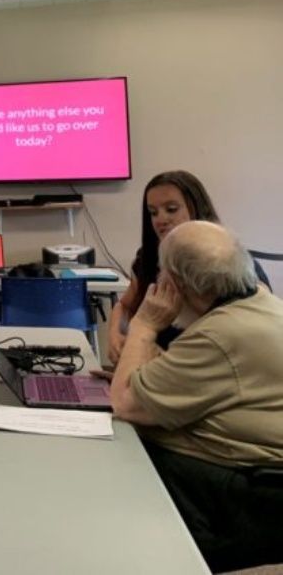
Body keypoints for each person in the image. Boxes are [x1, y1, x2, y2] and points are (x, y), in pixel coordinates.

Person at [109, 221, 283, 572]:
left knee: (123, 457)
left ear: (174, 283)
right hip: (261, 480)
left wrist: (144, 325)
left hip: (256, 498)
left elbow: (125, 402)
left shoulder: (221, 334)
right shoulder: (262, 306)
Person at [106, 171, 270, 364]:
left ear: (196, 208)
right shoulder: (147, 259)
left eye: (172, 209)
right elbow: (125, 304)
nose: (160, 219)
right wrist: (114, 334)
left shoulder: (230, 263)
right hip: (161, 369)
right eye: (153, 212)